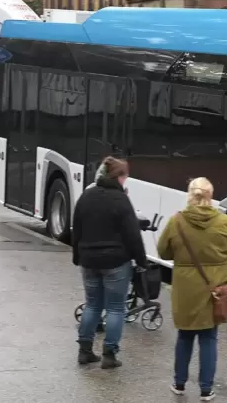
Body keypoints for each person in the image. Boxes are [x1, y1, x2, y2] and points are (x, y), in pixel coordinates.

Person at [157, 177, 227, 401]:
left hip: (185, 290)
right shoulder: (224, 222)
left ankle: (179, 383)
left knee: (185, 337)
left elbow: (163, 252)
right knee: (209, 338)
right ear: (210, 196)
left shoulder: (176, 222)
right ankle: (206, 390)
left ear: (190, 195)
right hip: (213, 290)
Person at [72, 156, 147, 369]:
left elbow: (76, 228)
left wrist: (77, 255)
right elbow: (133, 235)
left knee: (93, 304)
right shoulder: (121, 200)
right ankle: (109, 354)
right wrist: (141, 261)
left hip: (88, 260)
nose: (126, 181)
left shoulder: (86, 196)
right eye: (125, 176)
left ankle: (84, 351)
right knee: (115, 308)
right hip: (116, 262)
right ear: (118, 177)